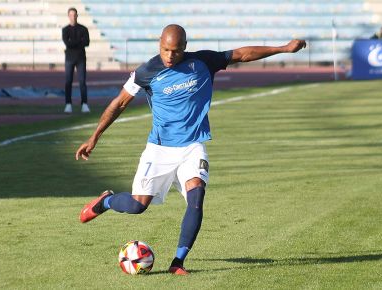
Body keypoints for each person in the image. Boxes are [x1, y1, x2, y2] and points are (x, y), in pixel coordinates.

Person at [75, 24, 306, 275]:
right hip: (159, 149)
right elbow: (119, 102)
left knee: (196, 197)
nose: (170, 56)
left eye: (175, 51)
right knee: (137, 206)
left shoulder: (203, 62)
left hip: (193, 146)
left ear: (184, 47)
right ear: (159, 44)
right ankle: (106, 201)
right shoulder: (146, 71)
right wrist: (94, 136)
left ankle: (178, 262)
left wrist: (283, 49)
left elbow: (241, 54)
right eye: (165, 50)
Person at [62, 7, 90, 114]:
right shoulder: (65, 30)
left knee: (82, 82)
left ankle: (84, 104)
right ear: (68, 16)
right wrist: (79, 41)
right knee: (68, 82)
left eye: (74, 15)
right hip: (69, 59)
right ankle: (68, 104)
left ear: (77, 16)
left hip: (81, 59)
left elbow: (87, 42)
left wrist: (73, 42)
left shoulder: (83, 29)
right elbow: (67, 43)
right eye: (71, 15)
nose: (73, 17)